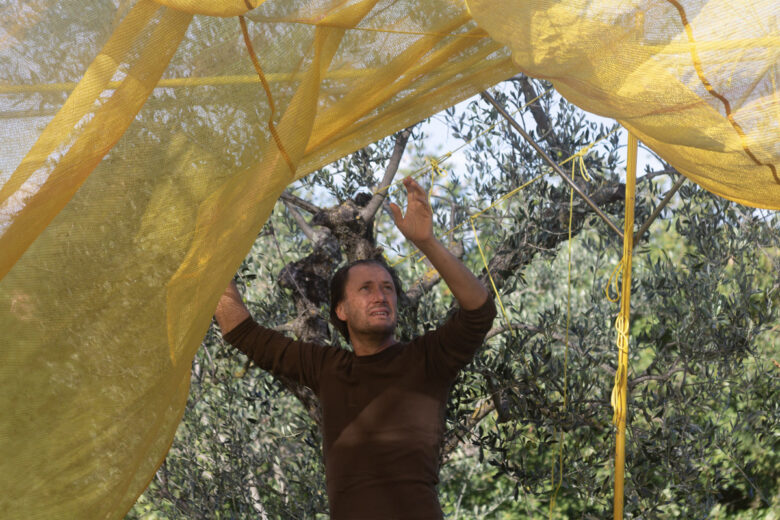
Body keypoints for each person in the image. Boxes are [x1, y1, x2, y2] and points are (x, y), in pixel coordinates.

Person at [214, 177, 496, 519]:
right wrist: (208, 259)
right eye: (366, 289)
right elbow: (242, 332)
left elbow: (479, 311)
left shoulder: (425, 360)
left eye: (388, 288)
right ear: (341, 310)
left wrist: (427, 242)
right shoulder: (328, 367)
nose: (381, 295)